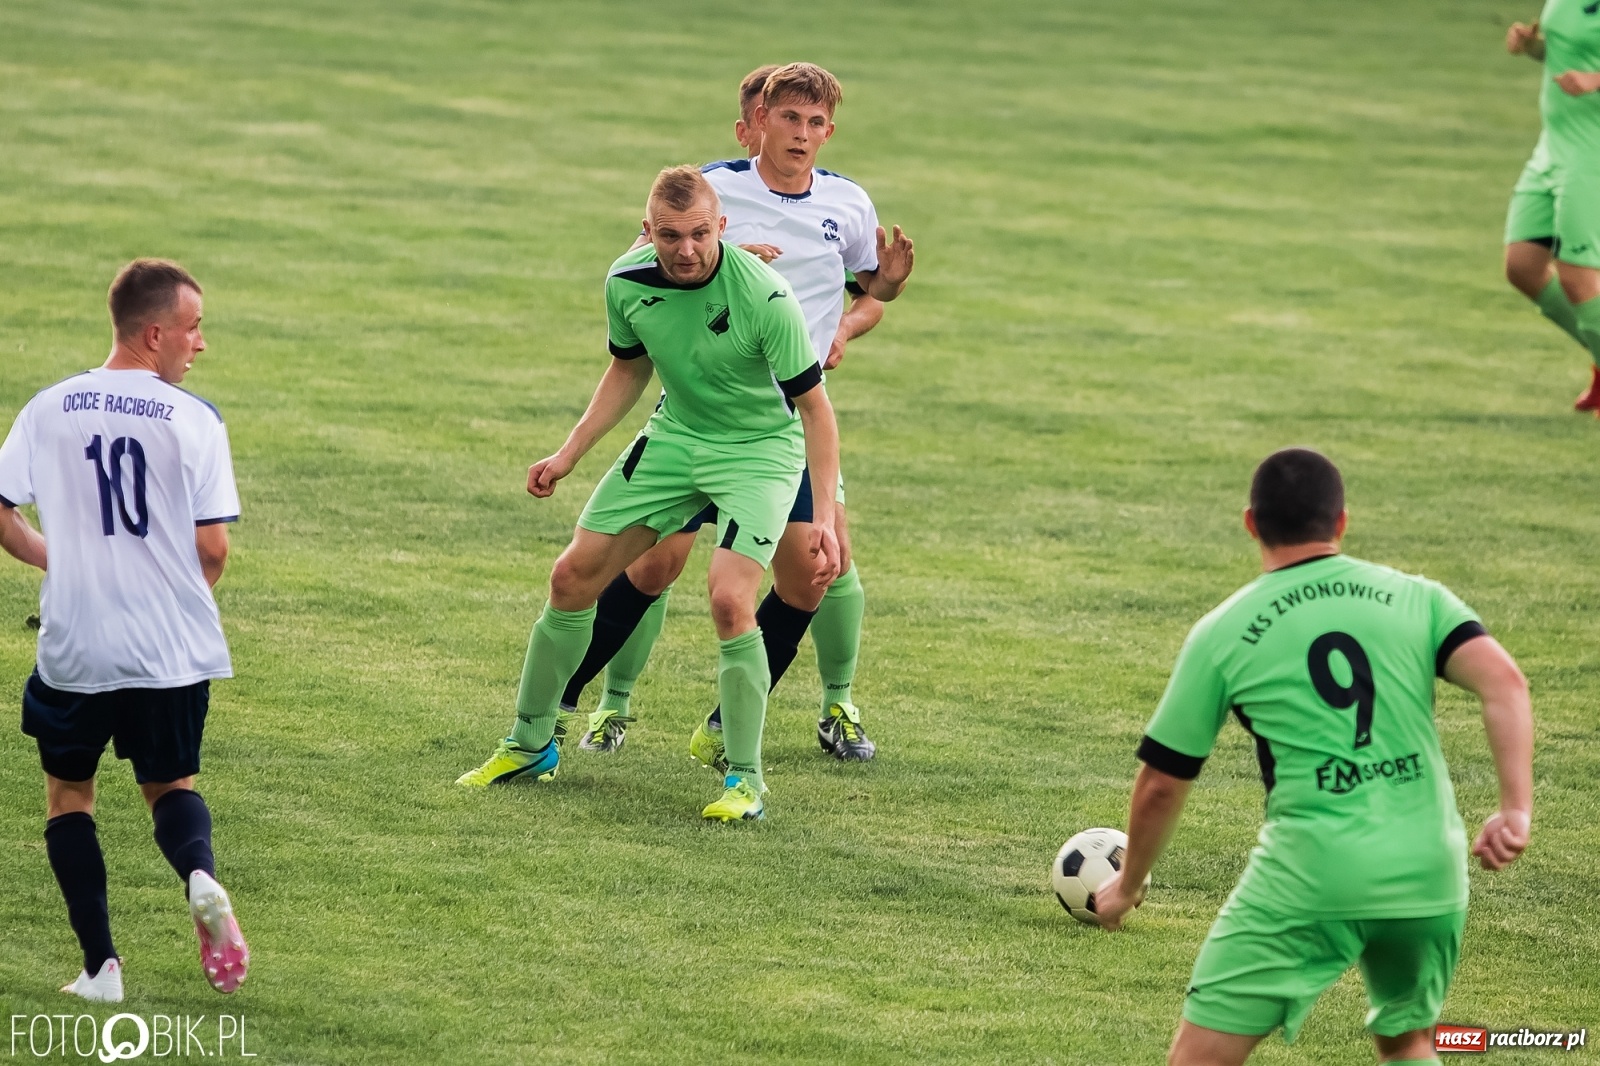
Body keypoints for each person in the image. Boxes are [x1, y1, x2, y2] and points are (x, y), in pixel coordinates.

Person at [1093, 448, 1533, 1066]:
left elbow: (1163, 782)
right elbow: (1506, 683)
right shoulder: (1418, 598)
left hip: (1310, 875)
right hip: (1429, 871)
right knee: (1405, 1040)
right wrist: (1515, 810)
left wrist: (1126, 884)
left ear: (1251, 523)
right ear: (1342, 521)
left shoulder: (1225, 631)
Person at [456, 165, 842, 822]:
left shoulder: (764, 296)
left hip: (757, 453)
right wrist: (568, 453)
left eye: (699, 234)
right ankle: (529, 743)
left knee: (728, 599)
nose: (686, 250)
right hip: (675, 439)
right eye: (670, 236)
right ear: (648, 232)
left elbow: (816, 410)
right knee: (571, 577)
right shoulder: (627, 282)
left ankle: (745, 782)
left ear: (721, 226)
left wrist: (826, 516)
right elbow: (627, 369)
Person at [562, 63, 913, 771]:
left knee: (819, 566)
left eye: (816, 124)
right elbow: (647, 272)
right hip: (702, 409)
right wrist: (724, 266)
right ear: (756, 123)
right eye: (788, 118)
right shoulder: (717, 194)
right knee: (656, 563)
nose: (801, 134)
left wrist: (866, 310)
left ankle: (772, 718)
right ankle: (587, 702)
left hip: (790, 416)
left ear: (830, 132)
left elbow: (865, 289)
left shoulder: (846, 204)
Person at [0, 259, 250, 1003]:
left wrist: (64, 564)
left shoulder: (48, 408)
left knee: (70, 796)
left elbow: (3, 509)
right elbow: (213, 550)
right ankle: (200, 875)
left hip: (78, 645)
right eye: (193, 328)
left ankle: (101, 968)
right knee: (169, 786)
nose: (199, 345)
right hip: (171, 648)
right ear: (154, 333)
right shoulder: (194, 419)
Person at [1503, 4, 1600, 410]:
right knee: (1522, 266)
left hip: (1592, 154)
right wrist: (1534, 48)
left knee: (1578, 276)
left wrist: (1595, 80)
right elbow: (1573, 49)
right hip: (1554, 148)